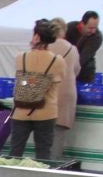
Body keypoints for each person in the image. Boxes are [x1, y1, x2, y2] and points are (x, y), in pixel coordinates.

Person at [7, 19, 66, 161]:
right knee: (44, 153)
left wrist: (30, 80)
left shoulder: (21, 57)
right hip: (46, 111)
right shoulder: (57, 61)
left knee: (15, 151)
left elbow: (22, 80)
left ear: (36, 37)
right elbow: (58, 80)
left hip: (21, 110)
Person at [46, 17, 81, 159]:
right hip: (66, 95)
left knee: (43, 136)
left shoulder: (44, 46)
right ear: (64, 31)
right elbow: (77, 70)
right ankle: (52, 167)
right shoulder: (72, 49)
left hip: (47, 94)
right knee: (58, 136)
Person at [67, 10, 103, 84]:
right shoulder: (69, 28)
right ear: (82, 24)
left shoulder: (97, 37)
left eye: (95, 28)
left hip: (85, 73)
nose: (93, 31)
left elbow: (83, 58)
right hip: (67, 68)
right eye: (90, 28)